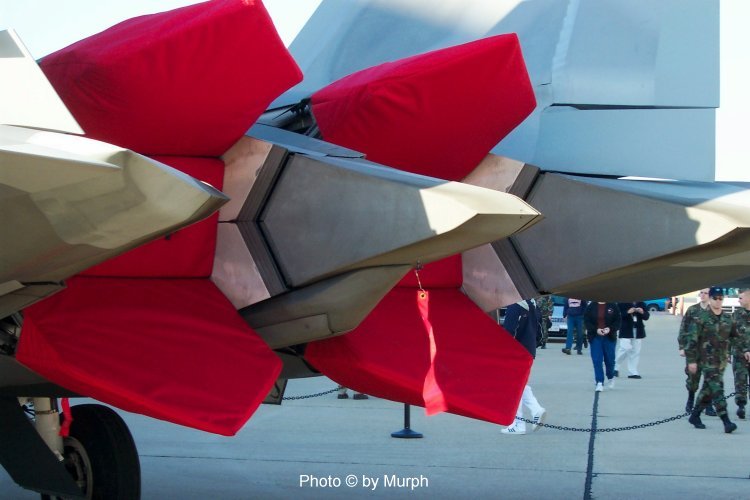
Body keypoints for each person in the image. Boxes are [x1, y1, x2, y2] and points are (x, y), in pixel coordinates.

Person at [685, 287, 750, 433]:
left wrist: (746, 350)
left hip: (720, 362)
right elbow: (691, 340)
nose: (718, 301)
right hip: (705, 360)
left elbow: (736, 337)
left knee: (708, 390)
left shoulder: (727, 318)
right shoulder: (701, 318)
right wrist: (691, 360)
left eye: (721, 298)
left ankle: (695, 416)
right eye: (715, 298)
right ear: (710, 299)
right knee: (717, 388)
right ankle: (726, 421)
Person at [500, 299, 546, 435]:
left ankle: (518, 424)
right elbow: (540, 331)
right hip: (529, 351)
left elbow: (509, 331)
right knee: (520, 384)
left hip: (515, 352)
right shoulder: (534, 306)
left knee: (514, 387)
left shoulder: (515, 307)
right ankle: (536, 410)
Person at [678, 288, 716, 415]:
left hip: (710, 351)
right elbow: (683, 328)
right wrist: (682, 346)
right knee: (693, 378)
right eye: (702, 293)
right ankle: (690, 401)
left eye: (706, 293)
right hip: (694, 350)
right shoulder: (692, 310)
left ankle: (708, 405)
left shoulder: (714, 311)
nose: (703, 295)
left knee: (710, 378)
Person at [584, 301, 621, 392]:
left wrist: (610, 329)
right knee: (597, 360)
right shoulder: (591, 306)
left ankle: (610, 377)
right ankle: (599, 382)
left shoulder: (613, 305)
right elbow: (586, 321)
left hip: (609, 337)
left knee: (610, 360)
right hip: (595, 336)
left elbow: (618, 321)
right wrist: (596, 330)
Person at [614, 301, 650, 378]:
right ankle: (615, 366)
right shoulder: (621, 303)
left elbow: (646, 317)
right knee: (625, 348)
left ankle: (633, 372)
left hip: (638, 330)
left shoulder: (641, 303)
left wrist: (642, 312)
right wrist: (627, 312)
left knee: (635, 352)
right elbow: (617, 316)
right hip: (625, 330)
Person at [731, 289, 749, 419]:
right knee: (740, 380)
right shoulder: (736, 315)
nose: (739, 300)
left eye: (741, 298)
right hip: (739, 355)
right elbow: (731, 335)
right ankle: (741, 406)